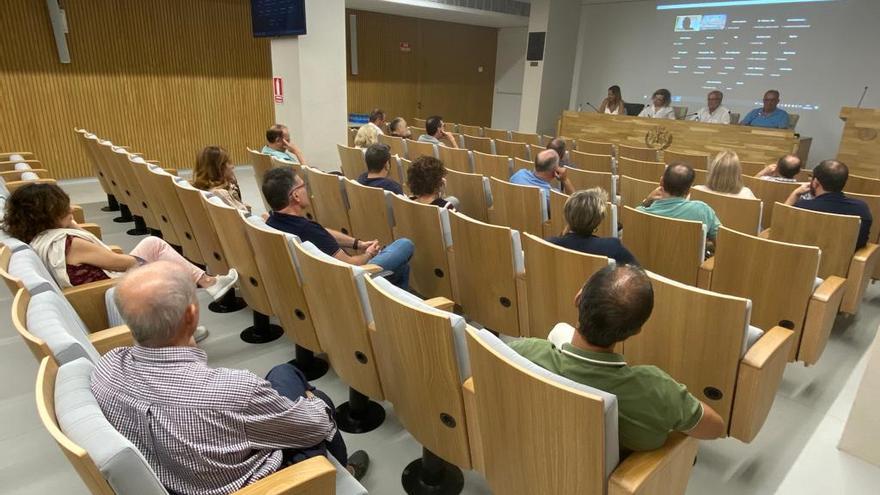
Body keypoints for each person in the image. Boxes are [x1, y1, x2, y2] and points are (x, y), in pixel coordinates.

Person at [90, 262, 370, 495]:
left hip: (182, 476)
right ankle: (340, 475)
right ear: (192, 314)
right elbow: (316, 427)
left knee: (283, 373)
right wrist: (312, 402)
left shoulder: (106, 368)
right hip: (264, 484)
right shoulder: (231, 391)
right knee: (319, 402)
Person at [509, 265, 726, 452]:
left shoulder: (523, 352)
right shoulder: (655, 390)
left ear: (578, 298)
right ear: (636, 331)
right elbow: (716, 427)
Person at [2, 183, 238, 297]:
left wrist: (71, 223)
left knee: (153, 244)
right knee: (165, 264)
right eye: (63, 208)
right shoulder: (71, 244)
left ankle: (208, 283)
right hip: (110, 290)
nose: (70, 208)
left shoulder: (39, 237)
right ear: (49, 214)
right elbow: (122, 263)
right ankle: (189, 312)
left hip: (101, 286)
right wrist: (150, 265)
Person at [263, 166, 415, 289]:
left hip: (312, 282)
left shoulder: (272, 222)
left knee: (402, 268)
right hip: (347, 284)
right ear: (295, 196)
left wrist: (358, 244)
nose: (307, 190)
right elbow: (350, 265)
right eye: (304, 186)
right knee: (405, 244)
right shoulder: (307, 230)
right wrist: (369, 253)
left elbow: (323, 233)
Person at [785, 159, 872, 250]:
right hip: (843, 263)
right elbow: (861, 243)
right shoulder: (861, 209)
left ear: (815, 183)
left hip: (803, 260)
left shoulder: (802, 207)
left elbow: (780, 228)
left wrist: (795, 194)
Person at [550, 188, 637, 265]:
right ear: (598, 220)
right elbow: (638, 272)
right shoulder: (612, 247)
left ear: (566, 213)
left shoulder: (550, 244)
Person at [637, 163, 721, 240]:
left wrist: (647, 201)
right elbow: (721, 241)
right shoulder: (703, 210)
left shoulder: (639, 212)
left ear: (661, 182)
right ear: (689, 190)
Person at [192, 145, 252, 212]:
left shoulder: (198, 189)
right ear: (219, 168)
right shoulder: (221, 194)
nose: (233, 166)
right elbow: (244, 218)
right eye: (229, 163)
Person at [509, 149, 575, 202]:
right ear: (555, 171)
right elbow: (575, 207)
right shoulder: (552, 196)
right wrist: (565, 180)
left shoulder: (518, 175)